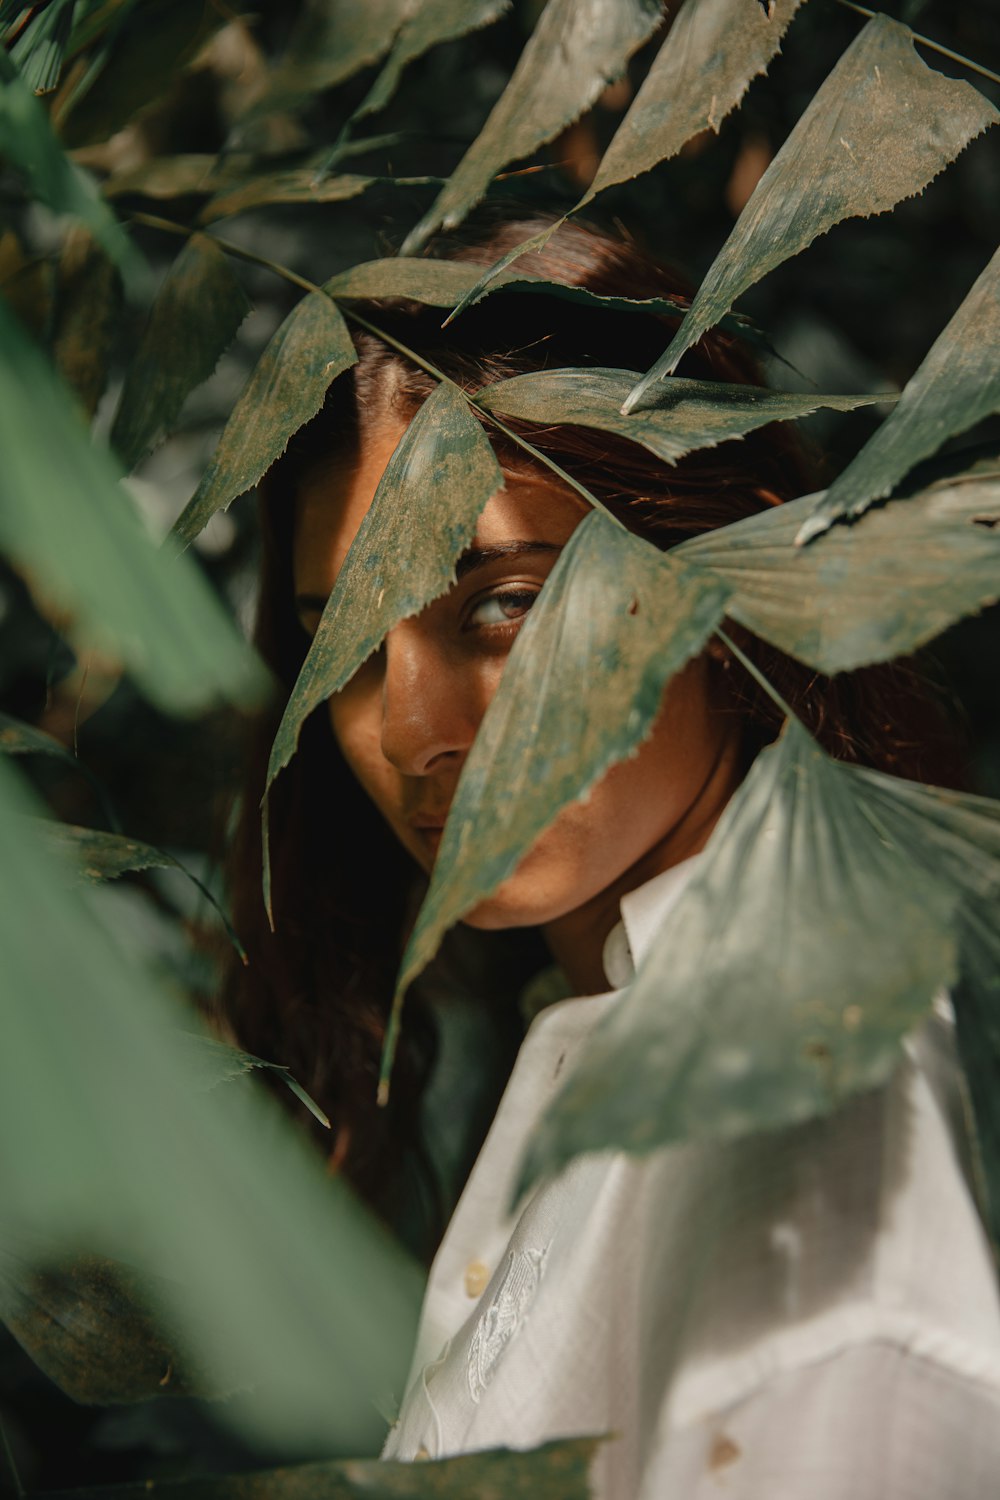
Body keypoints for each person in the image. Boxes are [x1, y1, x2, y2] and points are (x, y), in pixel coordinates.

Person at [215, 214, 1000, 1496]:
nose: (413, 734)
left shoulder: (788, 1073)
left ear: (727, 573)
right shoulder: (603, 1034)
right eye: (342, 643)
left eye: (505, 603)